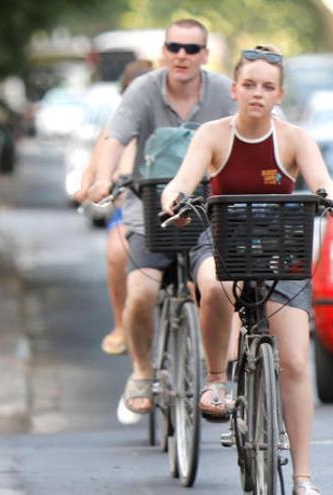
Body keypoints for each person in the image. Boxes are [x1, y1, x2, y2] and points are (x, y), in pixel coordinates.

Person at [161, 44, 333, 495]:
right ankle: (215, 381)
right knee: (213, 285)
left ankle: (303, 477)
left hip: (280, 240)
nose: (257, 94)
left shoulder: (294, 138)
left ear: (280, 93)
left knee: (294, 361)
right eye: (249, 85)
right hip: (222, 232)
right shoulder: (212, 135)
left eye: (268, 87)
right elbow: (184, 179)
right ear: (233, 89)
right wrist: (175, 196)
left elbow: (323, 181)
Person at [87, 19, 236, 416]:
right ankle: (141, 369)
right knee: (141, 294)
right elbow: (115, 138)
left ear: (204, 55)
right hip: (151, 210)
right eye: (175, 47)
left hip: (209, 208)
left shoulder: (224, 91)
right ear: (164, 52)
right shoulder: (143, 90)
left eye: (191, 49)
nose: (182, 56)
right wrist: (103, 178)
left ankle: (217, 374)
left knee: (219, 286)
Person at [77, 59, 154, 355]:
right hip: (131, 209)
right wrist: (89, 185)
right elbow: (95, 166)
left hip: (172, 210)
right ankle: (121, 324)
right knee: (116, 252)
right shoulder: (117, 127)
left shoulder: (174, 121)